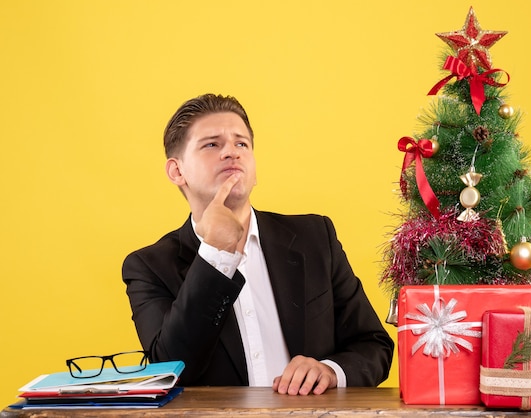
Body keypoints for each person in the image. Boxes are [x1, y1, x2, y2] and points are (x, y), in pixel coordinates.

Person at [122, 93, 394, 396]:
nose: (232, 153)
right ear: (177, 171)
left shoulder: (315, 237)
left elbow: (374, 345)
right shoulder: (149, 267)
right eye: (212, 144)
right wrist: (215, 256)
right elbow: (173, 369)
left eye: (241, 144)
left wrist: (331, 371)